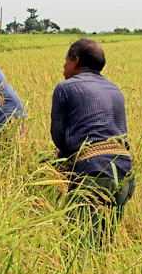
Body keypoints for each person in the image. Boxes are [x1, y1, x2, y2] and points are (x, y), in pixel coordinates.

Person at [51, 38, 135, 247]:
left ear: (76, 60)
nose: (63, 66)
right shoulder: (115, 89)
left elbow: (59, 137)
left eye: (66, 60)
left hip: (94, 173)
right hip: (124, 174)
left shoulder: (65, 88)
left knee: (79, 248)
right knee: (104, 244)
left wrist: (62, 158)